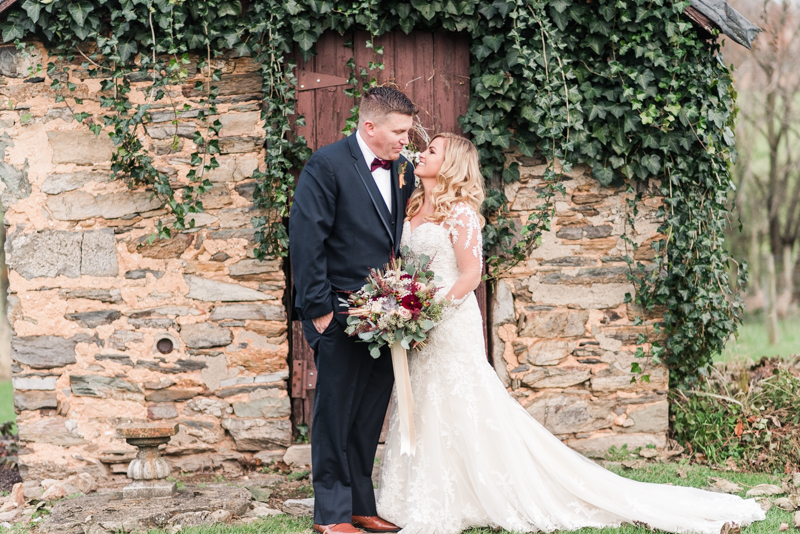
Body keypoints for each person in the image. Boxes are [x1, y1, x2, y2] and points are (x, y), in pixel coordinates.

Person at [375, 133, 767, 534]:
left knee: (458, 401)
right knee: (423, 401)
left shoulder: (461, 213)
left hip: (449, 321)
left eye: (432, 150)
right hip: (419, 324)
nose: (420, 153)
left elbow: (472, 274)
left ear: (452, 164)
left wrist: (430, 308)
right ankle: (416, 494)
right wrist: (402, 304)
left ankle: (462, 495)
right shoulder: (414, 206)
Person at [289, 86, 418, 534]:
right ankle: (331, 515)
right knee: (334, 413)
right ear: (370, 126)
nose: (406, 139)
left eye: (407, 131)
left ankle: (361, 505)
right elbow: (306, 240)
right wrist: (319, 310)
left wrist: (399, 303)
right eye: (399, 131)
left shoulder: (402, 171)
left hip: (386, 315)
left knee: (367, 414)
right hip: (338, 311)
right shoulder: (326, 165)